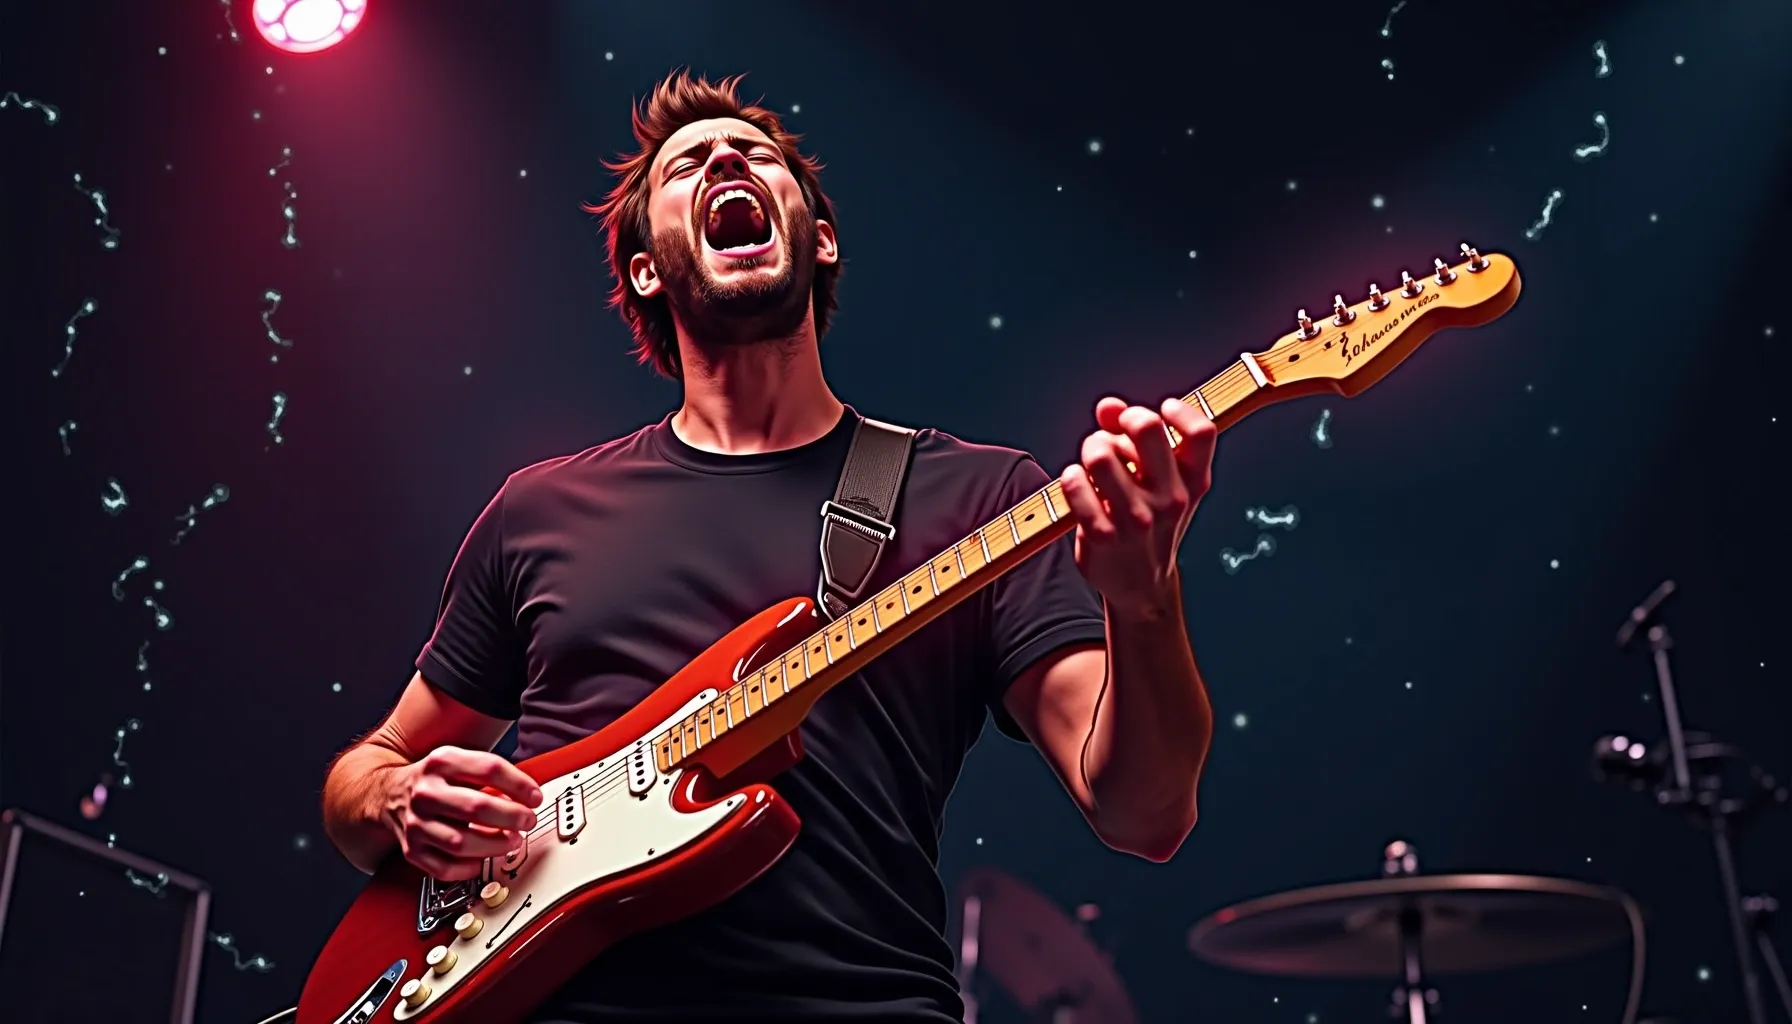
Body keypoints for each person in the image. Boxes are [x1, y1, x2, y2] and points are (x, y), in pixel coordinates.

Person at [320, 69, 1217, 1023]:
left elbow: (1146, 814)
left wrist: (1145, 598)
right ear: (646, 270)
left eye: (755, 154)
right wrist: (398, 798)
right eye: (686, 165)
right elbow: (365, 772)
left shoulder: (982, 498)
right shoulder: (538, 510)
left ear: (818, 239)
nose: (723, 158)